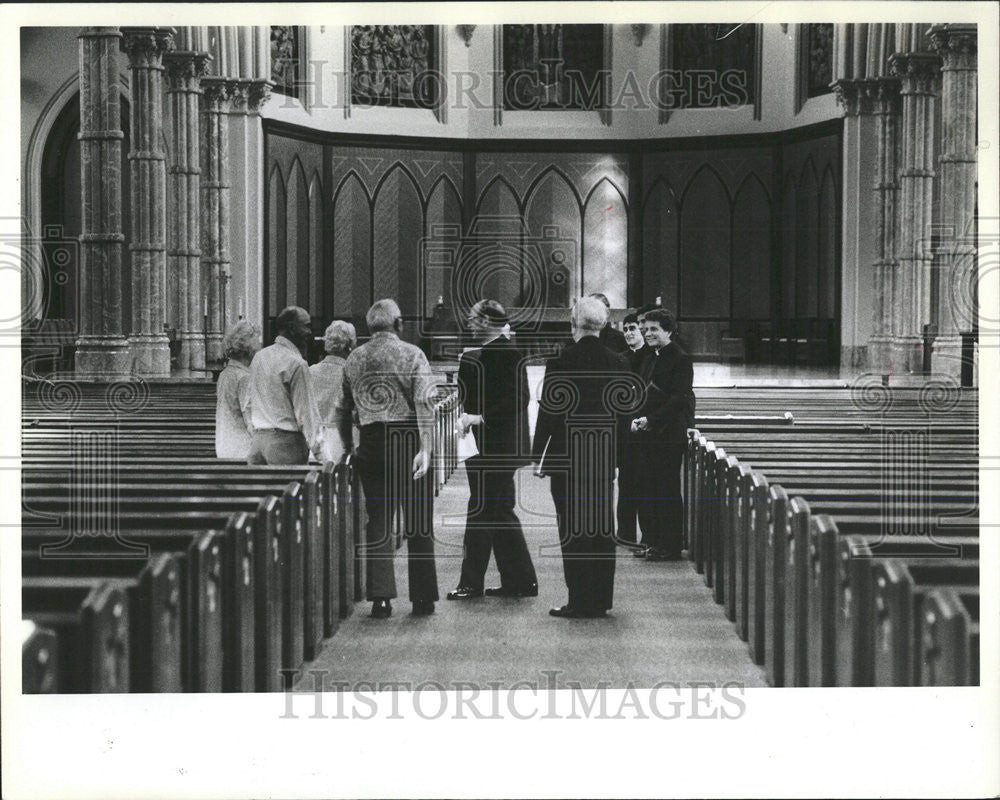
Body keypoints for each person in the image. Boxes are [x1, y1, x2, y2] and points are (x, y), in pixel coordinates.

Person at [532, 296, 635, 619]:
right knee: (602, 529)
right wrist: (620, 456)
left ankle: (579, 599)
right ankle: (601, 599)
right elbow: (623, 414)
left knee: (573, 531)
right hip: (602, 455)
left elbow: (549, 412)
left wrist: (538, 457)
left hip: (567, 456)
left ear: (573, 324)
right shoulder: (619, 362)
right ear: (604, 325)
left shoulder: (560, 362)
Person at [336, 299, 439, 618]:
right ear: (398, 325)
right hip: (407, 438)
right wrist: (426, 447)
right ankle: (422, 598)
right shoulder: (412, 354)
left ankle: (381, 598)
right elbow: (425, 403)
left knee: (378, 521)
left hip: (371, 441)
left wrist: (348, 445)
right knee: (418, 521)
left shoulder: (354, 358)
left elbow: (342, 409)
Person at [447, 300, 538, 601]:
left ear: (487, 320)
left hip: (497, 446)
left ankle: (471, 582)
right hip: (488, 446)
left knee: (482, 511)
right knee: (500, 510)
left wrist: (478, 417)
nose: (469, 323)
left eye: (473, 319)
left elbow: (517, 399)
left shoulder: (508, 353)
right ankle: (521, 580)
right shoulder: (482, 354)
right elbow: (467, 394)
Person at [631, 307, 695, 561]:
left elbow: (680, 398)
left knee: (666, 489)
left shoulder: (680, 358)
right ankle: (651, 539)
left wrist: (651, 419)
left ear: (668, 330)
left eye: (654, 329)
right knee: (648, 487)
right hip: (648, 431)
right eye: (645, 329)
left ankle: (670, 544)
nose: (647, 334)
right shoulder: (650, 356)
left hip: (668, 433)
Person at [246, 306, 321, 465]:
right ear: (292, 328)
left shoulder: (259, 357)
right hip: (285, 446)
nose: (309, 332)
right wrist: (323, 456)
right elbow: (306, 414)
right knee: (289, 489)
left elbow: (248, 404)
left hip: (258, 444)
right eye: (306, 326)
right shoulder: (296, 363)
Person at [616, 310, 648, 548]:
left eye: (633, 329)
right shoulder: (620, 358)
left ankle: (648, 534)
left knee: (644, 483)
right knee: (626, 481)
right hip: (625, 427)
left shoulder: (652, 356)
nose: (628, 333)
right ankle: (625, 532)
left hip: (646, 427)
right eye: (625, 329)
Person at [310, 319, 357, 464]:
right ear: (350, 345)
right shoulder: (353, 374)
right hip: (343, 438)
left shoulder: (309, 371)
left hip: (314, 439)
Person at [215, 320, 260, 459]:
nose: (259, 347)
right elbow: (251, 419)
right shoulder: (244, 377)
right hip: (243, 449)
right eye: (257, 341)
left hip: (224, 444)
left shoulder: (225, 374)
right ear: (248, 348)